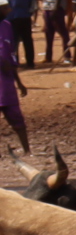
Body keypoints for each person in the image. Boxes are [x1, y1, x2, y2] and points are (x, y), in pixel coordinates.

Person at [0, 13, 25, 152]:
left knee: (16, 117)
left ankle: (27, 151)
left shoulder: (7, 26)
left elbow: (10, 54)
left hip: (7, 82)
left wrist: (19, 82)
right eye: (4, 8)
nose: (8, 10)